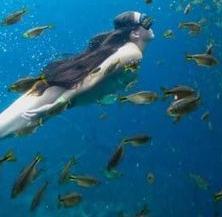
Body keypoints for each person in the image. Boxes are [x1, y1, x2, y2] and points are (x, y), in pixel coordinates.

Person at [0, 11, 154, 138]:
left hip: (61, 95)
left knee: (6, 131)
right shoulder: (133, 52)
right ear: (134, 33)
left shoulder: (126, 49)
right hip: (59, 95)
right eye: (146, 21)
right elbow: (93, 76)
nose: (151, 25)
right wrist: (58, 103)